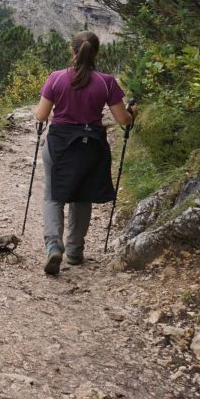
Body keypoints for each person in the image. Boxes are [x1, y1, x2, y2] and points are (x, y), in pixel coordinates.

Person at [33, 31, 133, 275]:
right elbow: (123, 120)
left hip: (58, 145)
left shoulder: (56, 79)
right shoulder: (107, 82)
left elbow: (41, 116)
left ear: (72, 50)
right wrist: (133, 112)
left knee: (53, 195)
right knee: (82, 196)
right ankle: (75, 251)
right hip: (90, 146)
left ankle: (53, 246)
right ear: (97, 53)